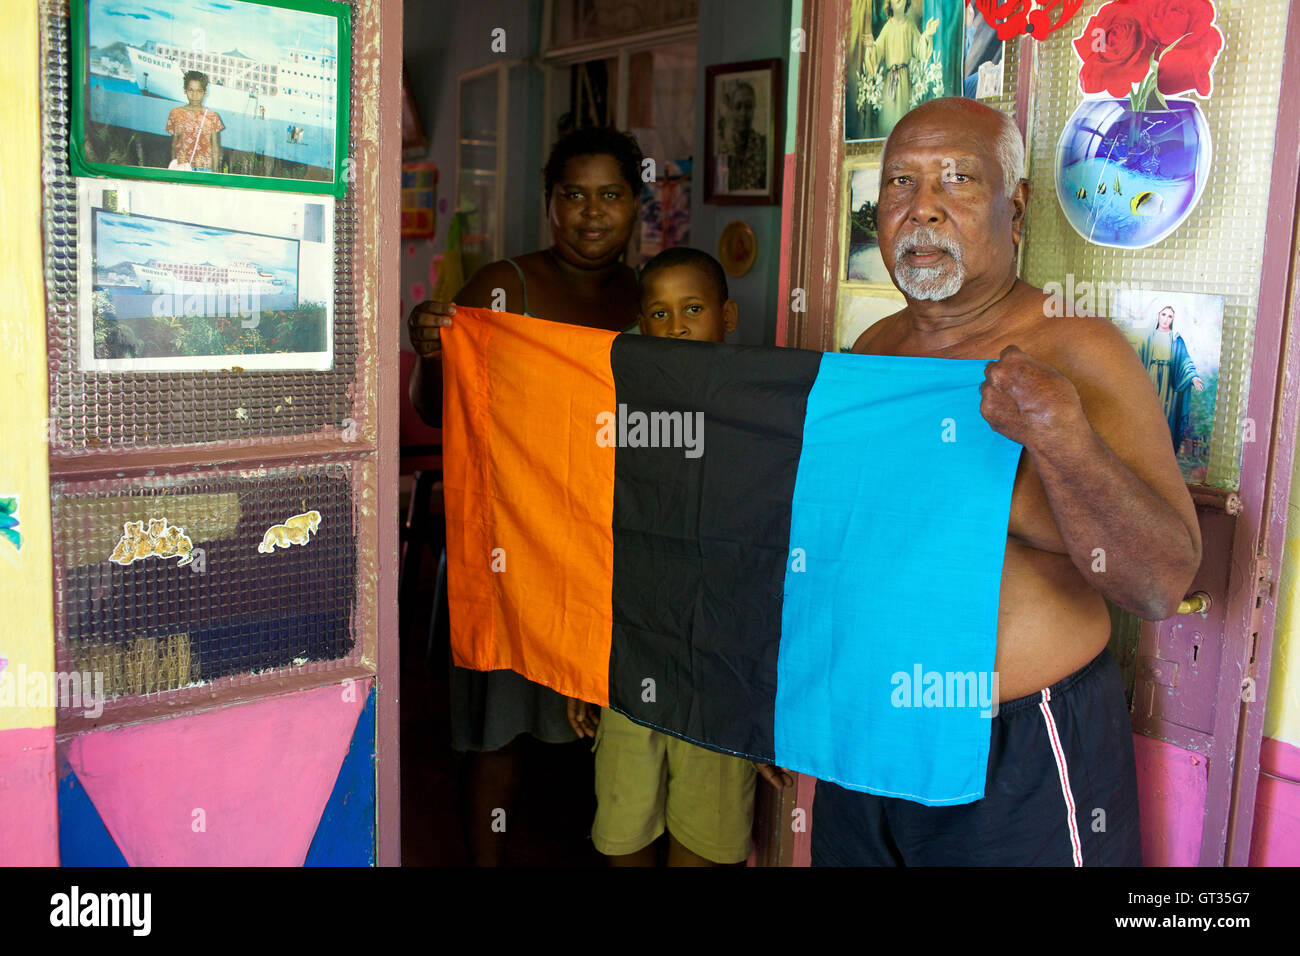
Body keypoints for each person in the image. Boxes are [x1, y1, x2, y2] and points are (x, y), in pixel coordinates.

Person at [831, 97, 1202, 865]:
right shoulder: (873, 348)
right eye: (899, 183)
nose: (922, 210)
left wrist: (1061, 439)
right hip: (868, 730)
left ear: (1016, 205)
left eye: (958, 179)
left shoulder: (1077, 348)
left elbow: (1161, 581)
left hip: (1021, 746)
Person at [406, 126, 644, 865]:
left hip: (609, 549)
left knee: (607, 740)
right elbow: (435, 409)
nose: (592, 213)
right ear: (549, 204)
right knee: (500, 735)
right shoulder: (501, 289)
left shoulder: (654, 298)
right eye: (574, 195)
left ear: (637, 205)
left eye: (611, 195)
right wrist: (431, 354)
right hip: (512, 544)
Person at [565, 246, 772, 866]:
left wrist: (770, 703)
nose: (675, 326)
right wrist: (582, 661)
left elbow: (774, 562)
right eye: (657, 314)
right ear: (639, 324)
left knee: (704, 847)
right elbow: (592, 538)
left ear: (728, 317)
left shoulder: (763, 415)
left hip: (722, 677)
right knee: (623, 835)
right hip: (632, 663)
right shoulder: (618, 412)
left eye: (693, 309)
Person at [861, 0, 940, 138]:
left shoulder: (909, 25)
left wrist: (927, 34)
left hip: (904, 81)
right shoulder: (887, 28)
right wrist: (870, 47)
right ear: (889, 4)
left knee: (903, 119)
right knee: (888, 118)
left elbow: (920, 51)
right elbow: (877, 52)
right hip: (890, 82)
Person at [1138, 305, 1204, 452]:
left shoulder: (1176, 339)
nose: (1166, 319)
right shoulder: (1148, 338)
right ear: (1158, 315)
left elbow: (1185, 360)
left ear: (1173, 319)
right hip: (1151, 378)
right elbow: (1136, 360)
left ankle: (1162, 451)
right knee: (1149, 412)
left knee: (1166, 416)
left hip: (1169, 383)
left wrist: (1193, 378)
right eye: (1163, 314)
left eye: (1170, 316)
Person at [165, 71, 223, 172]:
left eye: (199, 91)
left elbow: (215, 149)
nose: (194, 95)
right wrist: (174, 166)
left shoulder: (212, 116)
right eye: (191, 90)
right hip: (182, 168)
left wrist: (214, 174)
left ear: (205, 92)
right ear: (185, 90)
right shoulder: (175, 113)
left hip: (205, 169)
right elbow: (174, 145)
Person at [721, 81, 766, 192]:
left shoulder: (764, 146)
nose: (743, 113)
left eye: (748, 106)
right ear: (731, 110)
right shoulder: (722, 148)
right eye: (738, 106)